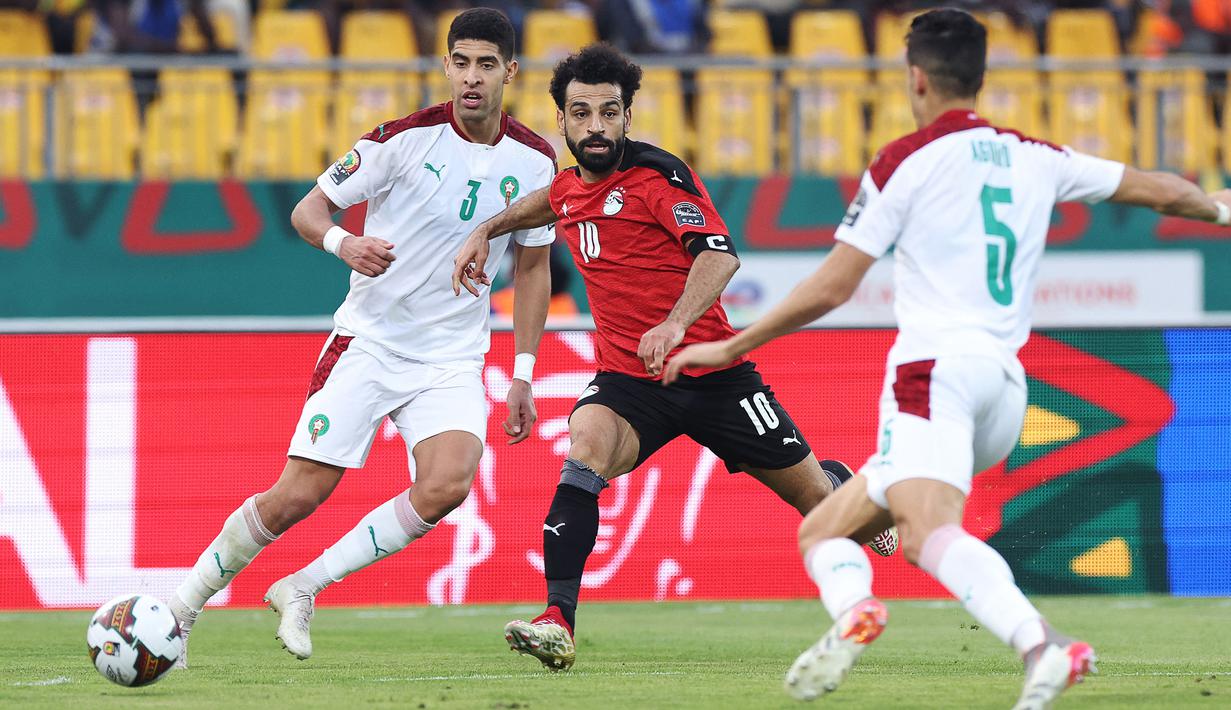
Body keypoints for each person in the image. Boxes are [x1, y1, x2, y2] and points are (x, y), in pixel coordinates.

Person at [663, 8, 1231, 708]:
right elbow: (1162, 190)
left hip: (933, 378)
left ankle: (1042, 643)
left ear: (915, 78)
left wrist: (734, 342)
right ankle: (854, 612)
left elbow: (834, 285)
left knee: (926, 533)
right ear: (979, 78)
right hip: (1003, 391)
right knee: (824, 530)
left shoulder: (903, 161)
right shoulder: (1037, 155)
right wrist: (1217, 209)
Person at [451, 43, 897, 673]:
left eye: (609, 113)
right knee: (585, 450)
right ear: (563, 122)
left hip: (714, 375)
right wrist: (485, 229)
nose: (596, 127)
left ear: (628, 116)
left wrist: (675, 322)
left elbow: (719, 256)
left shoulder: (660, 176)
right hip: (628, 383)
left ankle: (844, 488)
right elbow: (550, 200)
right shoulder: (570, 187)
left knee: (821, 508)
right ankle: (558, 619)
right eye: (581, 114)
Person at [168, 7, 558, 666]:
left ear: (510, 72)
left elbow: (533, 266)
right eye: (461, 62)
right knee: (297, 496)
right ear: (445, 66)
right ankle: (181, 611)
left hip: (451, 357)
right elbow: (308, 210)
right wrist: (343, 243)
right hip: (370, 342)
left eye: (486, 65)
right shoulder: (400, 140)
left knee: (448, 483)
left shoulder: (537, 161)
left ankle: (303, 585)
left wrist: (522, 371)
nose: (472, 77)